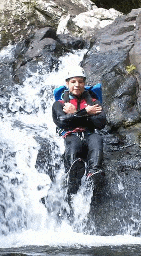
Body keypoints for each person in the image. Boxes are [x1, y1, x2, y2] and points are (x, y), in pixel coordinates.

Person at [52, 66, 106, 194]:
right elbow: (62, 122)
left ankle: (94, 172)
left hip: (89, 134)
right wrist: (85, 113)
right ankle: (72, 174)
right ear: (67, 84)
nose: (77, 85)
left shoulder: (94, 102)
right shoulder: (59, 104)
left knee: (96, 139)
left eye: (80, 82)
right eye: (73, 82)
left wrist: (74, 115)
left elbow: (101, 123)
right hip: (72, 136)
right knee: (74, 143)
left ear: (84, 83)